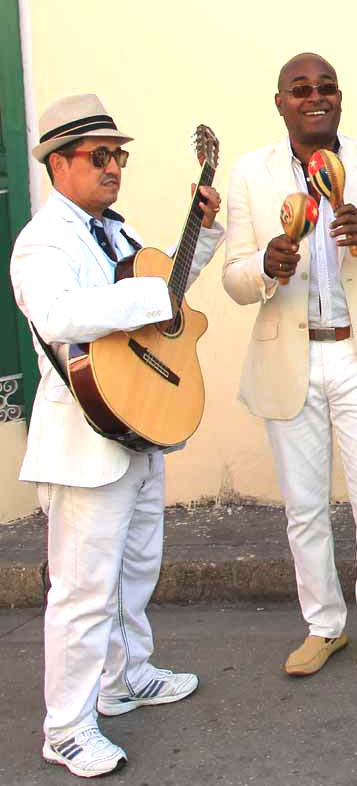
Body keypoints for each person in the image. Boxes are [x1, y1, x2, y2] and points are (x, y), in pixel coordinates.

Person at [11, 94, 223, 777]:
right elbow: (57, 314)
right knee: (81, 590)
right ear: (57, 164)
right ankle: (67, 728)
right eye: (98, 157)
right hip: (84, 437)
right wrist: (144, 297)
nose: (113, 168)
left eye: (118, 156)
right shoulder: (46, 240)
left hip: (137, 423)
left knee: (135, 568)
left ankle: (125, 676)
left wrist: (205, 232)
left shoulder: (117, 233)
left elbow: (166, 293)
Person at [223, 53, 357, 683]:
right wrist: (267, 264)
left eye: (326, 88)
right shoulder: (250, 173)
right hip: (290, 355)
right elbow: (233, 279)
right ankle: (324, 627)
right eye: (300, 90)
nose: (315, 97)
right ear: (281, 102)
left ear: (340, 98)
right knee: (305, 510)